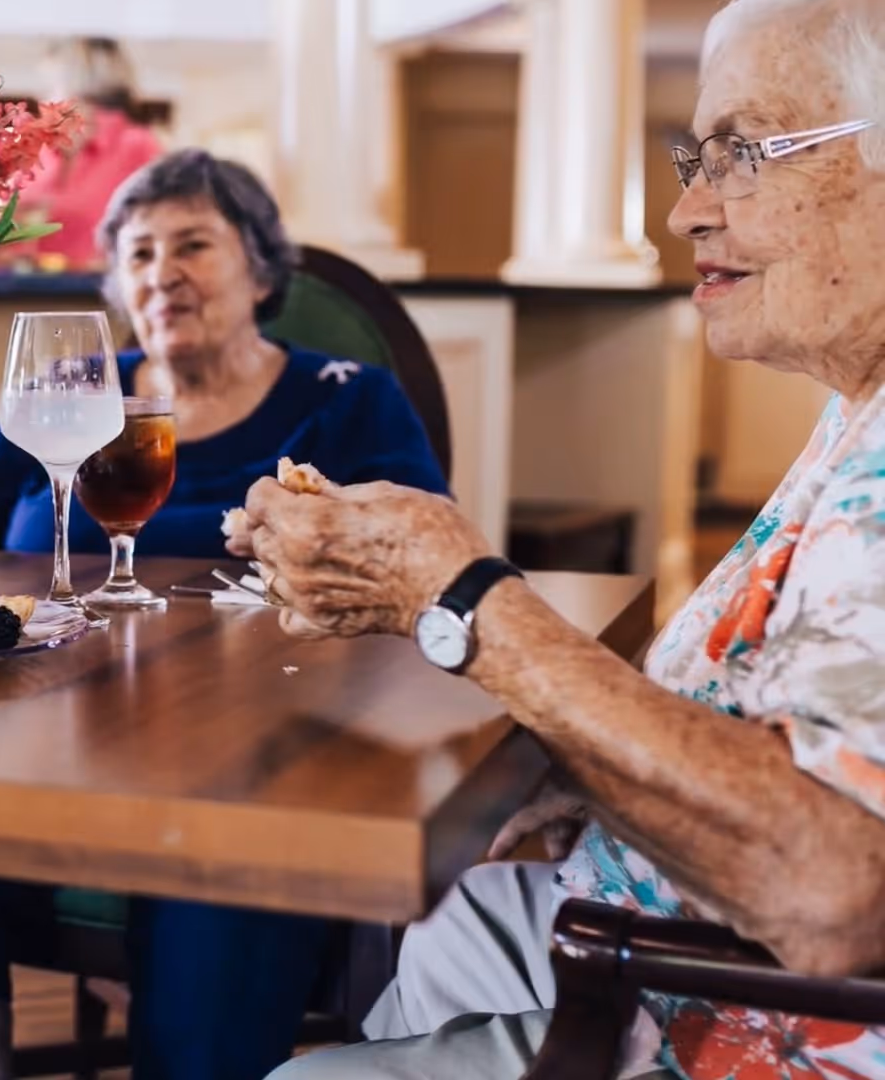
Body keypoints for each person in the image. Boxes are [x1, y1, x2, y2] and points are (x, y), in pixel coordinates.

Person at [258, 1, 885, 1077]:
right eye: (699, 156)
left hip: (745, 1020)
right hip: (658, 918)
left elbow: (832, 895)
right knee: (457, 927)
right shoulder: (857, 410)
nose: (683, 211)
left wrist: (462, 597)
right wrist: (602, 774)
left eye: (739, 154)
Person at [0, 150, 449, 1080]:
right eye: (137, 253)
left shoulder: (345, 400)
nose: (160, 272)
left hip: (250, 743)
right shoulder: (73, 391)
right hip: (42, 735)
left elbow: (422, 562)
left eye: (193, 245)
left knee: (230, 870)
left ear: (259, 267)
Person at [11, 37, 163, 273]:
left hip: (102, 292)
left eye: (51, 87)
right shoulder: (41, 148)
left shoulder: (138, 146)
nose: (42, 98)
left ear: (80, 87)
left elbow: (158, 230)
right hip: (31, 287)